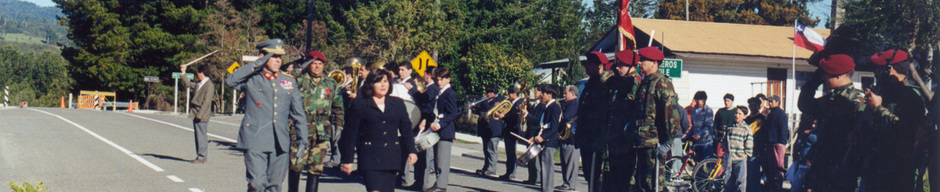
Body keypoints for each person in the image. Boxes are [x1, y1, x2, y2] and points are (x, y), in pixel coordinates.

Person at [224, 39, 309, 192]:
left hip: (280, 140)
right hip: (255, 138)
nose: (278, 60)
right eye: (273, 56)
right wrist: (256, 64)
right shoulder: (252, 78)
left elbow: (298, 113)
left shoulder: (288, 81)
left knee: (274, 186)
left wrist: (303, 139)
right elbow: (230, 81)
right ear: (262, 56)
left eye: (280, 57)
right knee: (257, 184)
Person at [340, 69, 419, 192]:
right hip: (370, 158)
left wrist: (411, 151)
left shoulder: (397, 103)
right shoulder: (360, 104)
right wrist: (348, 160)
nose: (383, 85)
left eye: (386, 81)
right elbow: (351, 134)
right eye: (378, 82)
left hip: (391, 157)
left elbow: (406, 129)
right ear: (371, 84)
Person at [861, 50, 926, 191]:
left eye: (879, 68)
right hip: (875, 168)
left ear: (889, 69)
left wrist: (878, 108)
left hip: (898, 171)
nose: (876, 72)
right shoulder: (883, 92)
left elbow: (906, 131)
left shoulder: (911, 97)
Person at [800, 54, 866, 191]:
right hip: (823, 165)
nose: (823, 78)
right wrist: (814, 81)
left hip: (843, 167)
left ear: (839, 75)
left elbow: (864, 136)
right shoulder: (830, 99)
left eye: (827, 74)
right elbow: (805, 105)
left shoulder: (857, 101)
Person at [287, 51, 345, 192]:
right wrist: (299, 68)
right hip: (300, 129)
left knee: (316, 168)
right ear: (308, 64)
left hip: (322, 130)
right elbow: (286, 79)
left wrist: (338, 125)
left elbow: (338, 107)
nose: (317, 67)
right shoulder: (299, 81)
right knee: (296, 165)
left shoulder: (331, 83)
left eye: (320, 64)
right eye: (314, 63)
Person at [634, 47, 681, 192]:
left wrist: (667, 142)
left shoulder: (662, 84)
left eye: (643, 60)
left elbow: (671, 116)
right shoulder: (645, 83)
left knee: (654, 185)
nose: (640, 63)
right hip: (641, 142)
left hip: (654, 143)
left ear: (654, 63)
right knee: (642, 184)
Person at [604, 50, 641, 192]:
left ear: (632, 66)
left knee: (625, 182)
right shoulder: (619, 84)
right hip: (614, 139)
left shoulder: (634, 83)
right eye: (617, 65)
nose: (617, 68)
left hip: (626, 141)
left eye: (622, 65)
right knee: (613, 180)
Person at [576, 51, 611, 191]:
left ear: (600, 66)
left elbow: (604, 113)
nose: (586, 67)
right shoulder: (590, 85)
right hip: (586, 137)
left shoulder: (605, 85)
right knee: (589, 174)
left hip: (597, 137)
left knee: (597, 177)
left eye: (589, 64)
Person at [423, 68, 458, 192]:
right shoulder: (441, 92)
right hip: (437, 129)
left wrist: (441, 123)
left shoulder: (449, 93)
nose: (439, 82)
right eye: (437, 80)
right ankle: (438, 183)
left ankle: (441, 186)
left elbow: (453, 113)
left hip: (445, 131)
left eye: (441, 80)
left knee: (442, 160)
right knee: (437, 159)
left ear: (448, 79)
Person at [522, 85, 562, 192]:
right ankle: (544, 189)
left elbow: (554, 127)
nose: (542, 95)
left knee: (547, 167)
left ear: (550, 95)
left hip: (549, 141)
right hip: (543, 139)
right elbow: (541, 124)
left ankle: (548, 189)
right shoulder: (547, 106)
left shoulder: (555, 107)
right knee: (543, 167)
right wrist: (535, 137)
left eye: (544, 93)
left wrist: (543, 137)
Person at [180, 64, 215, 164]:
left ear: (202, 73)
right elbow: (188, 84)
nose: (197, 75)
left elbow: (207, 102)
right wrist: (183, 72)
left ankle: (202, 156)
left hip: (202, 114)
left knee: (201, 135)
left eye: (198, 73)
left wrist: (200, 115)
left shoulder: (209, 85)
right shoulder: (199, 83)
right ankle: (200, 155)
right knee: (197, 135)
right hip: (195, 112)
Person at [473, 87, 504, 177]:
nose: (488, 94)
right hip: (485, 129)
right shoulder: (485, 101)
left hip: (494, 129)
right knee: (486, 149)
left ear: (494, 93)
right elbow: (480, 111)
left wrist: (484, 101)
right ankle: (486, 167)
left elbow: (489, 109)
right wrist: (474, 108)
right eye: (487, 92)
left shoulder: (498, 100)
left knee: (492, 149)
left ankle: (492, 168)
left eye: (490, 92)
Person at [725, 106, 754, 192]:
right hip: (730, 159)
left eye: (740, 114)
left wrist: (747, 154)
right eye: (736, 113)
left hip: (740, 159)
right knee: (728, 182)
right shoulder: (730, 126)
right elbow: (725, 138)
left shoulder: (746, 128)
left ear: (744, 116)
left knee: (740, 182)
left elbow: (749, 143)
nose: (737, 115)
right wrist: (725, 148)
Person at [556, 85, 580, 192]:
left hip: (572, 137)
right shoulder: (568, 103)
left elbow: (566, 117)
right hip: (565, 136)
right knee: (565, 161)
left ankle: (570, 184)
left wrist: (558, 110)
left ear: (573, 94)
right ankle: (566, 182)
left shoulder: (574, 104)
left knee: (571, 162)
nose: (564, 95)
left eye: (566, 93)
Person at [762, 95, 788, 191]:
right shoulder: (771, 113)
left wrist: (781, 143)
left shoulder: (781, 114)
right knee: (770, 168)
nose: (770, 103)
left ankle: (777, 188)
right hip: (770, 144)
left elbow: (783, 129)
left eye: (772, 101)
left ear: (778, 102)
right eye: (769, 101)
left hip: (777, 144)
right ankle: (771, 186)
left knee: (778, 168)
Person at [499, 84, 524, 181]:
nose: (509, 95)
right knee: (508, 152)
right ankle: (508, 171)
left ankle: (512, 172)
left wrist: (504, 116)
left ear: (515, 93)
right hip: (507, 129)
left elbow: (515, 117)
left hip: (514, 129)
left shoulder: (519, 103)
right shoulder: (509, 102)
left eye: (510, 93)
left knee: (512, 152)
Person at [684, 91, 715, 161]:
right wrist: (687, 136)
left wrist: (699, 135)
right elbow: (693, 126)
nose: (698, 101)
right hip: (697, 143)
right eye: (696, 99)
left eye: (700, 100)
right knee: (698, 165)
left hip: (706, 142)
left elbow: (709, 126)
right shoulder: (694, 110)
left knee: (708, 164)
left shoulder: (708, 110)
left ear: (704, 100)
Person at [745, 96, 767, 192]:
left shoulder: (760, 118)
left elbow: (749, 131)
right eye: (750, 105)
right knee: (749, 175)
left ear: (759, 106)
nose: (752, 107)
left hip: (757, 150)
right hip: (748, 150)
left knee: (755, 176)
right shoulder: (747, 118)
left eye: (754, 105)